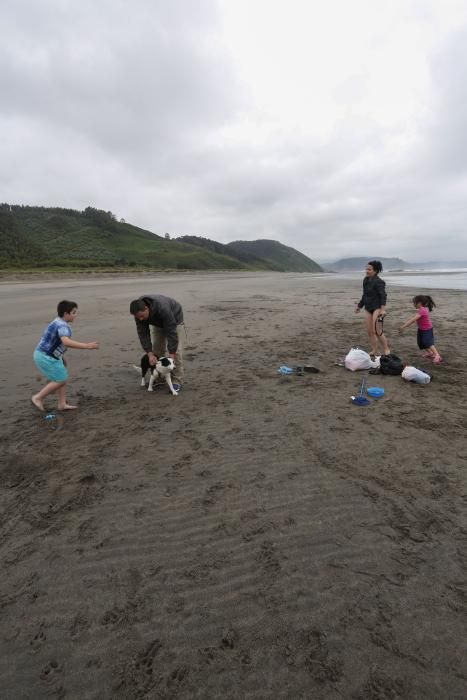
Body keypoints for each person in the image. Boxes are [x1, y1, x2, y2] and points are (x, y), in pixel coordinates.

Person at [32, 300, 99, 411]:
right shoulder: (63, 326)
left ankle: (62, 404)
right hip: (45, 357)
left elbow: (55, 342)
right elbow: (66, 342)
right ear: (66, 314)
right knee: (60, 380)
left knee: (61, 376)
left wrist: (60, 357)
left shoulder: (57, 321)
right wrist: (87, 346)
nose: (75, 315)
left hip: (48, 355)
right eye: (73, 313)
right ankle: (38, 397)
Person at [129, 294, 185, 388]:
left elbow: (171, 332)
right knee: (157, 350)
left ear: (146, 308)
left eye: (142, 316)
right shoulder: (138, 314)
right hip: (157, 322)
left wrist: (171, 354)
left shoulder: (163, 308)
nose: (140, 319)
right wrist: (150, 354)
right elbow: (143, 334)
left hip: (175, 318)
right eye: (138, 317)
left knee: (176, 351)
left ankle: (177, 380)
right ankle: (160, 377)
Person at [354, 260, 391, 356]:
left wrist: (383, 309)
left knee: (377, 331)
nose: (367, 271)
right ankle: (374, 350)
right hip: (368, 307)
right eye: (366, 269)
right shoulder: (365, 280)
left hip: (377, 308)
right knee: (370, 331)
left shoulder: (379, 282)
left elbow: (383, 295)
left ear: (375, 271)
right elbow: (365, 294)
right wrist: (359, 306)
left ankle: (386, 349)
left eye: (369, 269)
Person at [399, 295, 442, 364]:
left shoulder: (422, 310)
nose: (413, 304)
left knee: (428, 342)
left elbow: (413, 320)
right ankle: (431, 353)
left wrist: (403, 326)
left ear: (419, 303)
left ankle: (437, 355)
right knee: (421, 343)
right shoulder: (421, 310)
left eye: (414, 303)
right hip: (421, 329)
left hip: (427, 329)